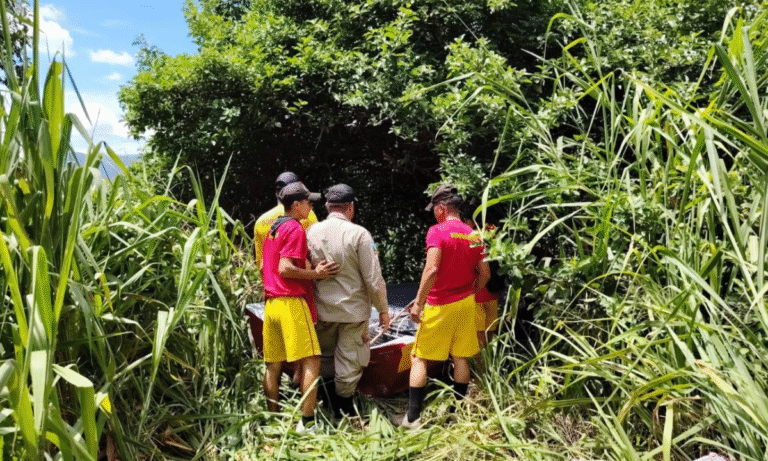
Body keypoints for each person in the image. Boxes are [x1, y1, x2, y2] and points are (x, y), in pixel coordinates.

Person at [392, 184, 490, 429]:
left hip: (439, 305)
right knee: (461, 357)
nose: (434, 213)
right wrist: (470, 292)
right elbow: (485, 273)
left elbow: (432, 269)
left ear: (442, 208)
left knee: (419, 358)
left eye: (434, 209)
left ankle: (413, 417)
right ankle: (458, 413)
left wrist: (419, 303)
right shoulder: (473, 234)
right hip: (465, 303)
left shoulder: (437, 231)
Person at [261, 181, 340, 433]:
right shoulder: (294, 228)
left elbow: (268, 267)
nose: (311, 206)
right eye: (308, 202)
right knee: (312, 360)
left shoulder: (273, 228)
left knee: (272, 365)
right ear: (296, 205)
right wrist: (317, 274)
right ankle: (307, 423)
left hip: (271, 305)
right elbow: (285, 268)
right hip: (291, 302)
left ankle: (272, 420)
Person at [307, 184, 391, 418]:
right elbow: (373, 279)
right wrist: (383, 310)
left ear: (326, 207)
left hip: (321, 310)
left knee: (324, 357)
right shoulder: (359, 234)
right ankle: (342, 409)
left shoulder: (311, 232)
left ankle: (323, 403)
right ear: (350, 208)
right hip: (352, 312)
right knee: (349, 360)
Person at [254, 172, 318, 268]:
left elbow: (260, 262)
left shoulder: (261, 221)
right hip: (299, 277)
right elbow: (315, 249)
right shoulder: (307, 214)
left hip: (271, 279)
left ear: (276, 194)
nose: (310, 206)